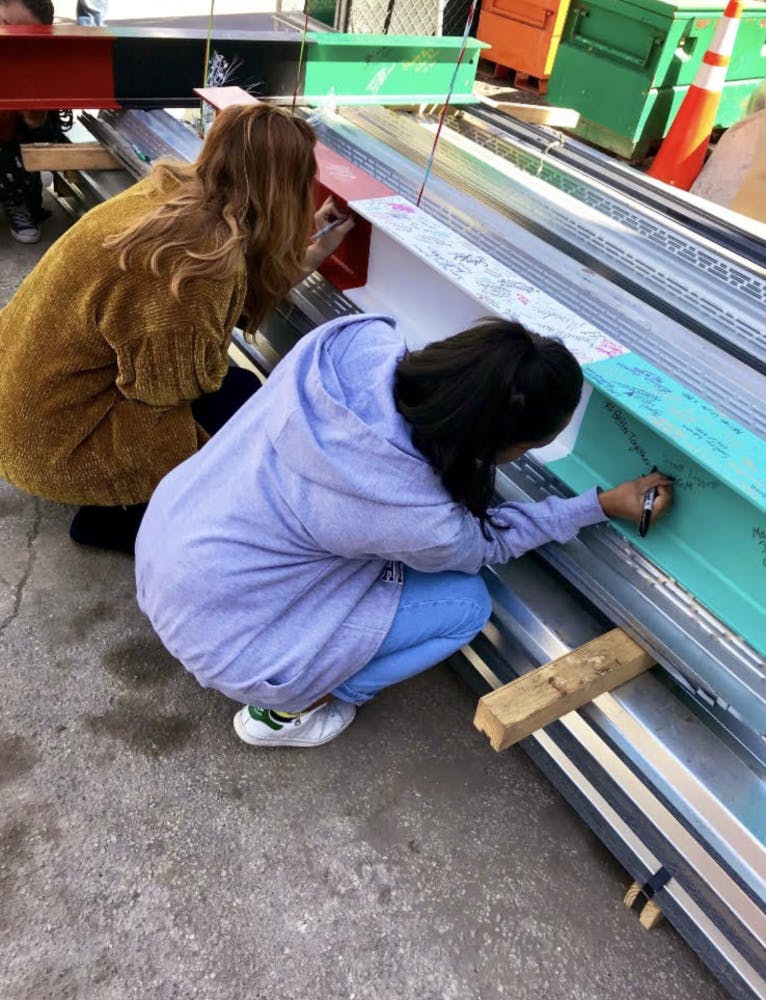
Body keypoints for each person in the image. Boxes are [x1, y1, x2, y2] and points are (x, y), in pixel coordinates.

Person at [134, 315, 673, 748]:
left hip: (165, 548)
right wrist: (598, 505)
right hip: (229, 643)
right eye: (526, 449)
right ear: (495, 442)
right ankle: (295, 707)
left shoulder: (355, 339)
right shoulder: (422, 517)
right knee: (466, 605)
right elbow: (492, 541)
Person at [0, 102, 352, 553]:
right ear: (284, 189)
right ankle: (115, 518)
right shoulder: (196, 264)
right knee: (242, 453)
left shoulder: (174, 195)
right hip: (48, 443)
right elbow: (167, 393)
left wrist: (313, 249)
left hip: (29, 403)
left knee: (241, 393)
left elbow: (222, 313)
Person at [0, 0, 72, 243]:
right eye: (4, 24)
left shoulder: (41, 65)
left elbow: (50, 143)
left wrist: (35, 119)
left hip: (10, 156)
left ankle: (18, 203)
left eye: (23, 34)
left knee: (16, 159)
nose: (8, 36)